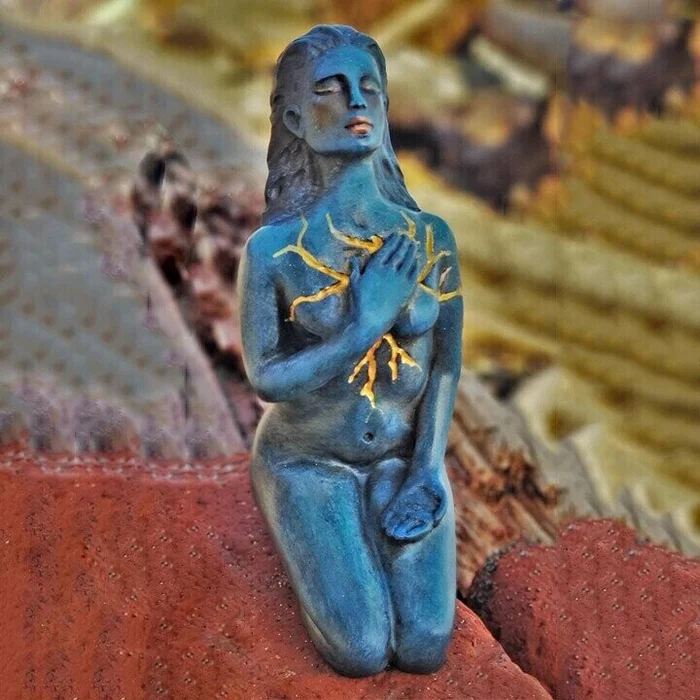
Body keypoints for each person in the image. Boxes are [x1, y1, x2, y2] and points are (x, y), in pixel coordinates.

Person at [238, 24, 463, 677]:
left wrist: (427, 468)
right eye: (330, 90)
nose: (356, 102)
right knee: (360, 651)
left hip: (400, 459)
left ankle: (397, 488)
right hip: (309, 461)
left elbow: (446, 365)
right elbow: (267, 379)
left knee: (425, 645)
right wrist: (364, 325)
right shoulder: (274, 251)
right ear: (294, 119)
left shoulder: (430, 237)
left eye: (369, 88)